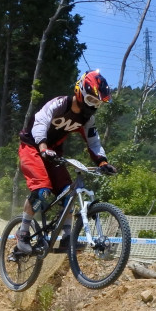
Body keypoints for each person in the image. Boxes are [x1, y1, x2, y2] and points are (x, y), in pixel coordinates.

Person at [16, 70, 117, 254]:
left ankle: (67, 237)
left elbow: (93, 141)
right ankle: (22, 233)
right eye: (91, 101)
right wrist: (43, 146)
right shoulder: (59, 104)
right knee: (41, 190)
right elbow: (40, 122)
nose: (94, 106)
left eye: (98, 103)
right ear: (80, 93)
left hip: (53, 152)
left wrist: (102, 162)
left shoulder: (88, 119)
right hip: (32, 146)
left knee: (68, 192)